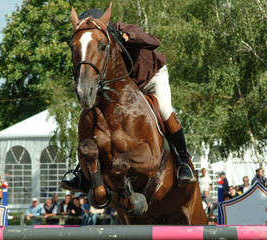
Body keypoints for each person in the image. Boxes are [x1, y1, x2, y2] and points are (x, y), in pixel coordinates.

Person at [61, 7, 196, 192]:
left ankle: (183, 161)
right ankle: (84, 173)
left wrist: (128, 36)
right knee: (90, 115)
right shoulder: (96, 43)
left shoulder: (122, 28)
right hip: (125, 86)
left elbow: (154, 41)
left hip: (151, 78)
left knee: (164, 109)